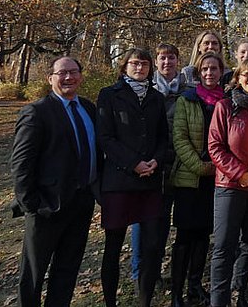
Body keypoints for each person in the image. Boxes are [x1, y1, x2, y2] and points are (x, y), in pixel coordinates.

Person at [11, 56, 98, 307]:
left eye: (73, 72)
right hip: (46, 206)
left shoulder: (89, 109)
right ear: (51, 78)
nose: (68, 77)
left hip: (81, 203)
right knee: (33, 275)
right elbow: (21, 163)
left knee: (67, 271)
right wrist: (30, 204)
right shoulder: (37, 112)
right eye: (62, 73)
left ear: (81, 76)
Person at [97, 49, 172, 307]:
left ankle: (144, 301)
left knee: (152, 247)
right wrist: (133, 164)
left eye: (144, 64)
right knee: (113, 246)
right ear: (125, 66)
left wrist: (156, 161)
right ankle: (110, 302)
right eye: (134, 63)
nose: (139, 67)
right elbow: (105, 138)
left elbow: (164, 137)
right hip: (119, 182)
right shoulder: (109, 95)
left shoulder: (156, 97)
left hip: (150, 181)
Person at [208, 58, 248, 307]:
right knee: (224, 246)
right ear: (237, 77)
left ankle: (238, 293)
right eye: (245, 74)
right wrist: (241, 174)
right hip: (229, 186)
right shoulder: (225, 107)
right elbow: (215, 147)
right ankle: (219, 300)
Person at [131, 43, 187, 285]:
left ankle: (156, 266)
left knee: (165, 219)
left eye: (171, 58)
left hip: (180, 160)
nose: (167, 63)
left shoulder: (186, 89)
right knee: (144, 219)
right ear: (157, 61)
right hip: (152, 162)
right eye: (162, 58)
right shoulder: (145, 89)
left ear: (178, 60)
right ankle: (140, 270)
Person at [171, 52, 225, 306]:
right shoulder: (186, 99)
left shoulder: (226, 101)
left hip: (214, 180)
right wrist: (200, 166)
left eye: (214, 68)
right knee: (184, 238)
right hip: (189, 178)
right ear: (198, 72)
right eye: (205, 69)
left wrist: (216, 168)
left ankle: (195, 286)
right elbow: (179, 138)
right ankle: (176, 293)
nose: (209, 73)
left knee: (203, 235)